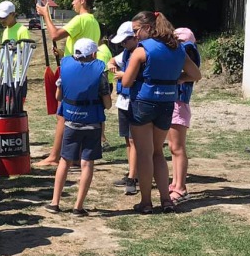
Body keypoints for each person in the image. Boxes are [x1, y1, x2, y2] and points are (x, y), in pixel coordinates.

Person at [117, 12, 202, 214]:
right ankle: (166, 199)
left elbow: (127, 81)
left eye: (137, 30)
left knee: (144, 154)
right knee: (158, 152)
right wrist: (177, 79)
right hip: (167, 103)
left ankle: (146, 202)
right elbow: (195, 74)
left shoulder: (142, 50)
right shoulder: (177, 48)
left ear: (148, 28)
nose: (136, 35)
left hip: (144, 103)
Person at [35, 0, 100, 167]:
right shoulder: (93, 21)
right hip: (86, 71)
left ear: (82, 1)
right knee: (76, 114)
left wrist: (45, 15)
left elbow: (55, 34)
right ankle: (76, 155)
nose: (72, 2)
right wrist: (65, 52)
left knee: (63, 113)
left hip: (74, 73)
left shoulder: (80, 19)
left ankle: (55, 156)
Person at [45, 39, 111, 216]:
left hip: (71, 122)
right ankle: (78, 207)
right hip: (93, 123)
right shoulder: (100, 72)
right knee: (87, 163)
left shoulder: (65, 68)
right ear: (93, 54)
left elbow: (58, 96)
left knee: (65, 161)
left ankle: (54, 203)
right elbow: (108, 104)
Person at [168, 28, 201, 204]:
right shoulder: (186, 51)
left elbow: (194, 74)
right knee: (173, 147)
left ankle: (181, 188)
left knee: (178, 148)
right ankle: (175, 183)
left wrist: (177, 77)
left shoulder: (187, 52)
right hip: (175, 104)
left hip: (179, 105)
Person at [107, 22, 141, 194]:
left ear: (134, 37)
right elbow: (112, 60)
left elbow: (141, 76)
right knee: (128, 140)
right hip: (123, 101)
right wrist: (111, 63)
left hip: (135, 100)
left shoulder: (141, 53)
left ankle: (133, 177)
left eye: (124, 42)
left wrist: (124, 75)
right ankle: (132, 172)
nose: (122, 45)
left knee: (134, 140)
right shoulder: (127, 52)